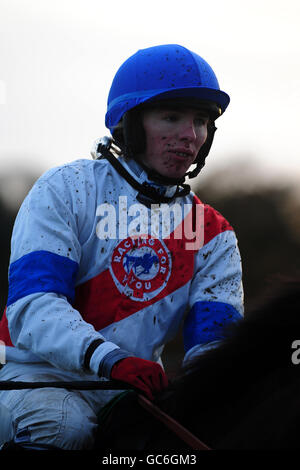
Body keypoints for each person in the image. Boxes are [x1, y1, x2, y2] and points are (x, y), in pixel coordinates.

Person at [0, 44, 243, 450]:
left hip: (127, 391)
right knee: (64, 428)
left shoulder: (213, 234)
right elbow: (33, 307)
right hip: (31, 377)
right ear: (129, 125)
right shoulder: (66, 189)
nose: (190, 136)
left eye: (201, 121)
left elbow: (213, 352)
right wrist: (109, 359)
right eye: (171, 117)